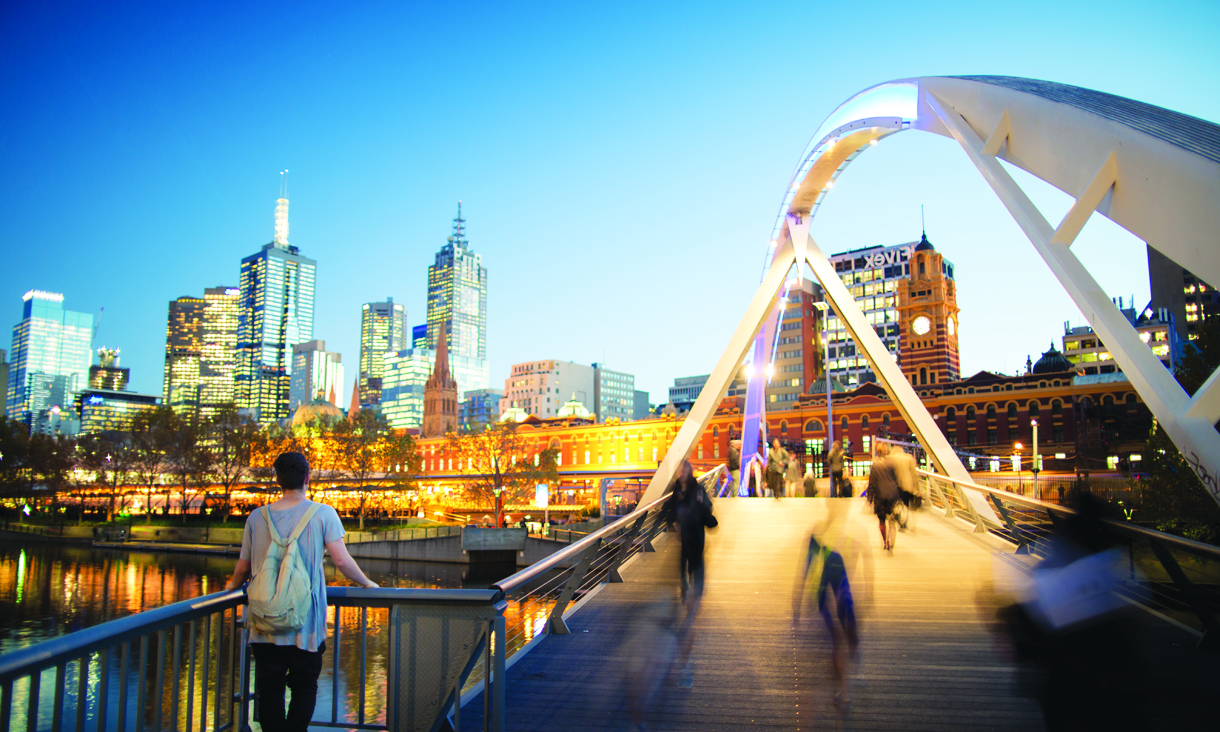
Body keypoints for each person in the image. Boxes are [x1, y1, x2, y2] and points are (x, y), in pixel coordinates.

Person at [224, 452, 379, 732]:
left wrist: (232, 588)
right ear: (307, 479)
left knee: (269, 693)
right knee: (304, 688)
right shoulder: (323, 513)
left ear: (278, 480)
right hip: (305, 624)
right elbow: (342, 561)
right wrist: (368, 584)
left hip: (263, 622)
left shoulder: (257, 517)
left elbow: (243, 567)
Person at [661, 460, 718, 687]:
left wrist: (701, 504)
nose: (680, 473)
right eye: (679, 470)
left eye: (683, 469)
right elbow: (668, 513)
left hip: (697, 546)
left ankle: (684, 659)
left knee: (693, 601)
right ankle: (688, 602)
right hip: (683, 547)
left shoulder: (698, 489)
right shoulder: (676, 491)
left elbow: (710, 518)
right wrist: (674, 518)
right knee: (685, 586)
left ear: (689, 472)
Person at [866, 443, 901, 551]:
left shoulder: (875, 465)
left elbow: (871, 483)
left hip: (880, 496)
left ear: (878, 451)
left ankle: (885, 541)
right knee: (892, 520)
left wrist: (869, 499)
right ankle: (891, 540)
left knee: (881, 521)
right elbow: (897, 480)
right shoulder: (893, 463)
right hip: (892, 494)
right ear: (887, 451)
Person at [891, 445, 920, 530]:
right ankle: (904, 521)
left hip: (895, 484)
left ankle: (898, 513)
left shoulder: (891, 458)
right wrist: (916, 487)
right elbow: (914, 473)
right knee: (906, 504)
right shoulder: (908, 458)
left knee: (897, 502)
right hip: (907, 484)